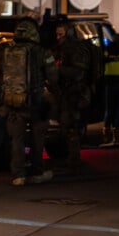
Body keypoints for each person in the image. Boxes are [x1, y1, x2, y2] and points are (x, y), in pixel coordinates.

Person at [0, 18, 59, 186]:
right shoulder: (42, 53)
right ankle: (37, 171)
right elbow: (53, 78)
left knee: (17, 139)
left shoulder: (6, 52)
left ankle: (18, 175)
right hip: (36, 103)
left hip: (13, 102)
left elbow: (1, 76)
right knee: (37, 137)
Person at [52, 22, 93, 171]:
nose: (58, 37)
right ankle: (69, 157)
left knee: (71, 126)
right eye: (56, 34)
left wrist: (57, 70)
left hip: (74, 92)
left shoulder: (77, 49)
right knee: (65, 125)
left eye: (60, 34)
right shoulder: (59, 48)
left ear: (68, 33)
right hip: (63, 92)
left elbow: (78, 72)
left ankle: (74, 159)